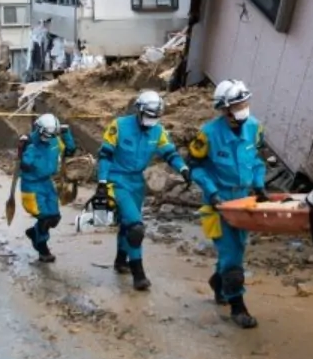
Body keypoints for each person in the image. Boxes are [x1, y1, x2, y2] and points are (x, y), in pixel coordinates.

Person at [188, 80, 267, 329]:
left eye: (245, 102)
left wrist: (260, 185)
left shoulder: (254, 128)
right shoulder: (208, 134)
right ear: (224, 109)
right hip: (219, 203)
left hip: (244, 199)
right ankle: (238, 307)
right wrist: (211, 193)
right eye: (238, 104)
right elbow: (196, 167)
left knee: (239, 247)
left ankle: (218, 281)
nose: (244, 107)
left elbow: (256, 160)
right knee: (232, 255)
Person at [96, 90, 191, 291]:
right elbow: (105, 154)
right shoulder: (119, 126)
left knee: (126, 224)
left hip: (137, 183)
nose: (151, 120)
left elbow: (169, 153)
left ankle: (120, 261)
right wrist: (102, 182)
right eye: (148, 116)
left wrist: (183, 168)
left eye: (155, 117)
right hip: (117, 180)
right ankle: (138, 273)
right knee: (136, 227)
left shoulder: (158, 131)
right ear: (139, 111)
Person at [19, 114, 77, 262]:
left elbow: (70, 150)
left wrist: (66, 134)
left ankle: (34, 232)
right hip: (31, 184)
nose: (47, 137)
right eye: (45, 134)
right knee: (44, 217)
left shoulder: (55, 141)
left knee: (54, 218)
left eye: (51, 135)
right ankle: (42, 247)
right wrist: (24, 149)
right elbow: (24, 166)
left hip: (47, 183)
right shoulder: (30, 143)